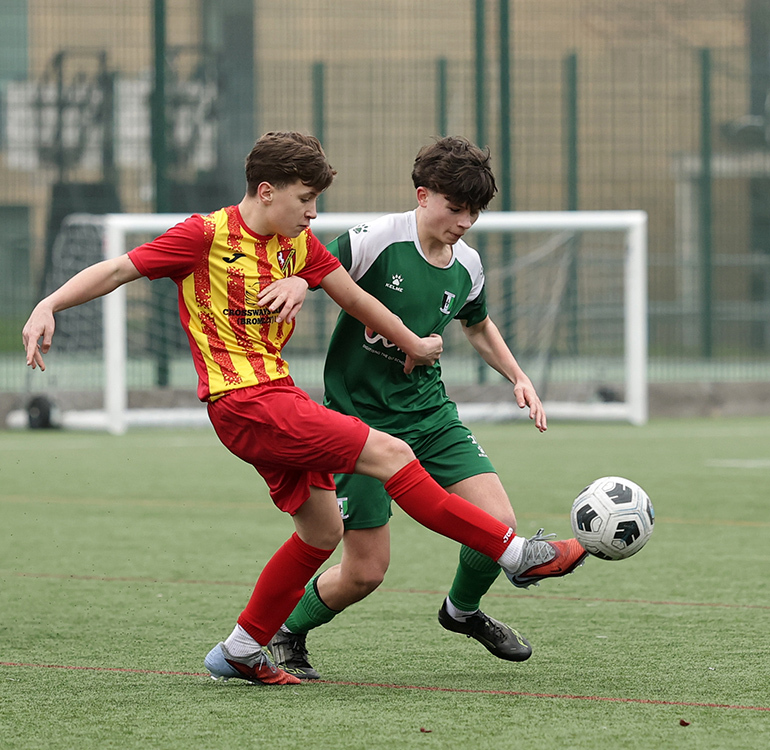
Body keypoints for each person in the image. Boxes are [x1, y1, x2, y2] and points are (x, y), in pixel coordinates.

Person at [21, 131, 587, 686]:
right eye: (306, 200)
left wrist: (413, 343)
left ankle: (242, 649)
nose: (314, 214)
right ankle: (514, 554)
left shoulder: (298, 244)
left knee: (320, 532)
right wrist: (49, 303)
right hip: (242, 400)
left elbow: (353, 297)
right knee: (389, 453)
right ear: (267, 191)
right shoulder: (204, 235)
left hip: (279, 395)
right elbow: (120, 269)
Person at [263, 135, 557, 680]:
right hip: (361, 427)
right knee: (365, 572)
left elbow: (478, 325)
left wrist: (519, 376)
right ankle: (284, 631)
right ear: (423, 196)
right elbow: (310, 261)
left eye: (474, 211)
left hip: (431, 415)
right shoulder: (375, 240)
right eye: (455, 207)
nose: (465, 220)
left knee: (499, 524)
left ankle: (461, 611)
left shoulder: (467, 263)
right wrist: (295, 282)